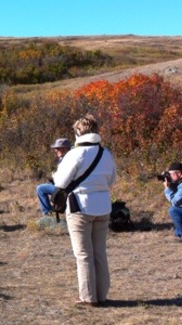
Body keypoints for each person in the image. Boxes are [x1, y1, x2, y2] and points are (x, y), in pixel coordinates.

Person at [53, 114, 116, 307]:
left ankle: (88, 297)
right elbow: (112, 180)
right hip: (103, 206)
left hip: (80, 206)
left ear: (79, 132)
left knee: (83, 254)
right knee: (99, 253)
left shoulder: (75, 154)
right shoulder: (106, 153)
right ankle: (102, 295)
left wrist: (55, 174)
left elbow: (61, 182)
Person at [36, 138, 72, 216]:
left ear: (66, 148)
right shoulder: (63, 158)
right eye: (55, 148)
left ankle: (47, 213)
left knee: (40, 189)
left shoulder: (69, 159)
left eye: (58, 148)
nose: (55, 150)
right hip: (61, 185)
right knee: (44, 186)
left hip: (64, 188)